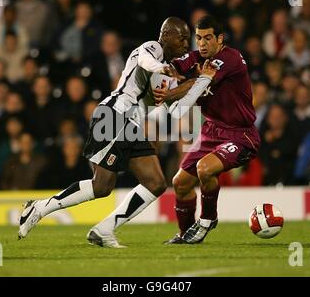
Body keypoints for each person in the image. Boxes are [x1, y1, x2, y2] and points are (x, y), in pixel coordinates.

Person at [18, 17, 216, 248]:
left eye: (186, 39)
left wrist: (203, 80)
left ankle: (103, 229)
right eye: (181, 37)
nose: (185, 43)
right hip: (116, 114)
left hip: (131, 124)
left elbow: (176, 106)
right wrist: (162, 67)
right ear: (167, 35)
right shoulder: (153, 48)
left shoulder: (169, 71)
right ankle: (40, 207)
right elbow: (145, 60)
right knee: (101, 185)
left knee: (155, 183)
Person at [154, 15, 260, 244]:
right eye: (198, 38)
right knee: (180, 182)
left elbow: (200, 82)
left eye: (208, 38)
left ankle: (208, 218)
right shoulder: (194, 57)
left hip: (240, 134)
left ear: (220, 39)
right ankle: (185, 234)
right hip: (210, 131)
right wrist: (164, 71)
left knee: (204, 169)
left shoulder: (230, 58)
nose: (201, 44)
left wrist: (169, 94)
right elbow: (172, 66)